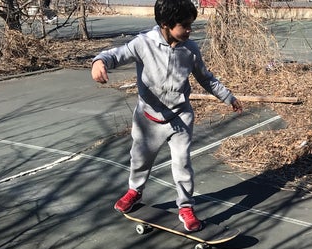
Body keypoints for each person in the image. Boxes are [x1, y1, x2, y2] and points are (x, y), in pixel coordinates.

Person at [90, 0, 243, 232]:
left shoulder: (190, 49)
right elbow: (116, 54)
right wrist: (100, 62)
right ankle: (135, 191)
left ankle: (186, 207)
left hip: (179, 119)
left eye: (191, 25)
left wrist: (228, 97)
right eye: (185, 26)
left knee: (182, 164)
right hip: (148, 119)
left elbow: (206, 78)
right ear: (165, 24)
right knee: (140, 160)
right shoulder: (143, 44)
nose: (190, 30)